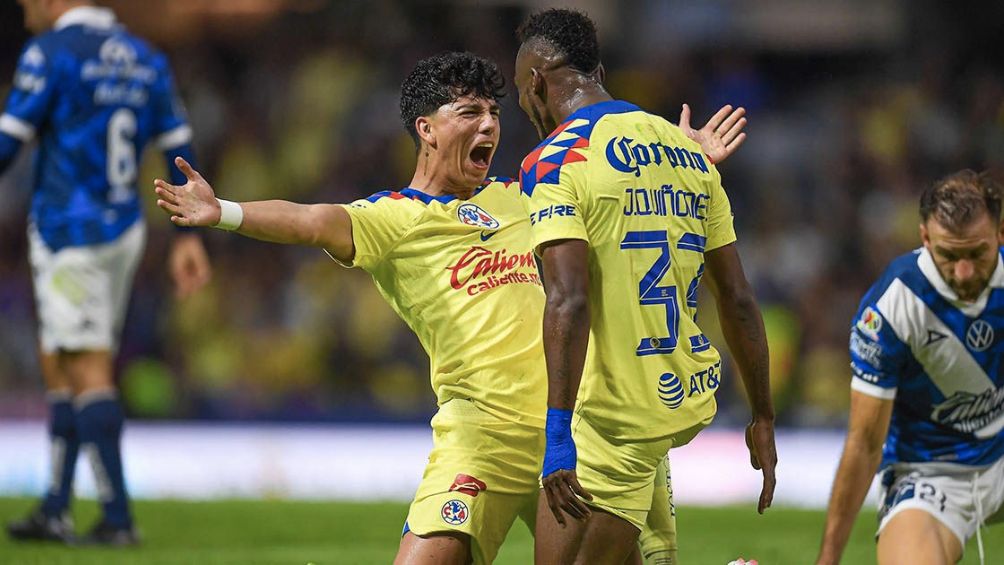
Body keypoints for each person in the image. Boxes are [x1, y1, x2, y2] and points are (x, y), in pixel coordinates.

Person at [153, 50, 746, 564]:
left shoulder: (528, 193)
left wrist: (686, 159)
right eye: (469, 112)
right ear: (426, 129)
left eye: (493, 112)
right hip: (479, 435)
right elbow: (311, 222)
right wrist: (223, 211)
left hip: (571, 428)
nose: (489, 124)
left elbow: (623, 196)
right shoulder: (393, 219)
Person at [513, 9, 778, 564]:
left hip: (613, 419)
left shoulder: (555, 160)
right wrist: (762, 415)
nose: (522, 105)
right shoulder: (691, 154)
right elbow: (738, 299)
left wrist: (558, 437)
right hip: (680, 391)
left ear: (536, 81)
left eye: (519, 90)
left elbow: (569, 298)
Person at [2, 0, 210, 545]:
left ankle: (117, 517)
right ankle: (55, 505)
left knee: (86, 365)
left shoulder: (50, 53)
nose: (23, 8)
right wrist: (186, 236)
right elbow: (178, 148)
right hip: (123, 227)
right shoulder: (146, 59)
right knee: (61, 358)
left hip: (71, 231)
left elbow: (8, 141)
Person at [816, 170, 1004, 565]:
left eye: (977, 254)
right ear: (924, 239)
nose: (964, 273)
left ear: (1000, 234)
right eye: (949, 255)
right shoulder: (890, 306)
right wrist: (828, 558)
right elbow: (865, 443)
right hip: (930, 474)